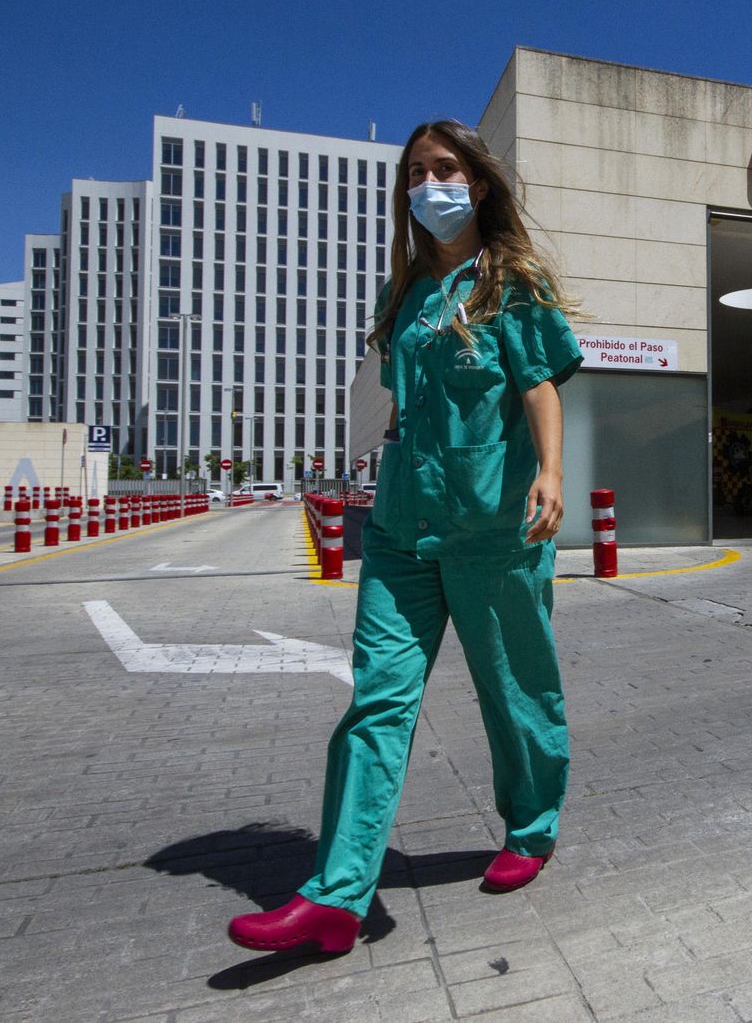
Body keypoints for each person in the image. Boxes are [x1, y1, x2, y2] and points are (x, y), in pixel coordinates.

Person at [228, 119, 583, 955]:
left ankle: (531, 828)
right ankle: (337, 894)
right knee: (377, 701)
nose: (430, 185)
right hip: (398, 529)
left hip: (493, 525)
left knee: (515, 692)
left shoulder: (511, 283)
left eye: (446, 168)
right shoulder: (406, 296)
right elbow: (395, 402)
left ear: (479, 183)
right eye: (417, 173)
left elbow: (538, 387)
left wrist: (551, 473)